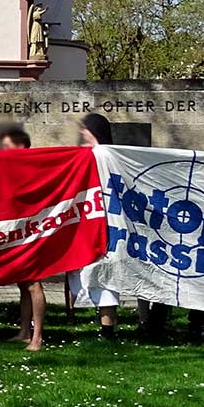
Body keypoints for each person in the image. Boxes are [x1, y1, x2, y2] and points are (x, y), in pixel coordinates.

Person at [68, 113, 122, 340]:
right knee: (87, 270)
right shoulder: (85, 155)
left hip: (108, 222)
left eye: (86, 129)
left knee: (105, 274)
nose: (81, 133)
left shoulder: (107, 156)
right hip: (88, 221)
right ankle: (98, 320)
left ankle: (108, 329)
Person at [0, 128, 49, 350]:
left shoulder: (31, 166)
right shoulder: (11, 168)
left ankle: (37, 337)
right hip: (17, 230)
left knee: (33, 283)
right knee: (23, 284)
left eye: (7, 146)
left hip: (31, 231)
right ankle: (25, 332)